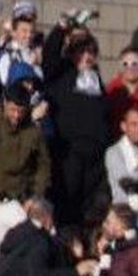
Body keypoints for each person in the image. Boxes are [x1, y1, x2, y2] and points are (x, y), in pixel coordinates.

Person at [44, 32, 110, 228]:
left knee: (88, 206)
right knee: (66, 202)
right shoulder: (62, 74)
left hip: (95, 154)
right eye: (82, 52)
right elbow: (50, 54)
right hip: (69, 152)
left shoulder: (95, 79)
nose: (87, 57)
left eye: (91, 52)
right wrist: (62, 28)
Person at [0, 80, 48, 201]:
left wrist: (35, 195)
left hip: (21, 196)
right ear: (5, 103)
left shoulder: (32, 132)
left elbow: (42, 166)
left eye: (21, 111)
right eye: (12, 110)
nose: (16, 115)